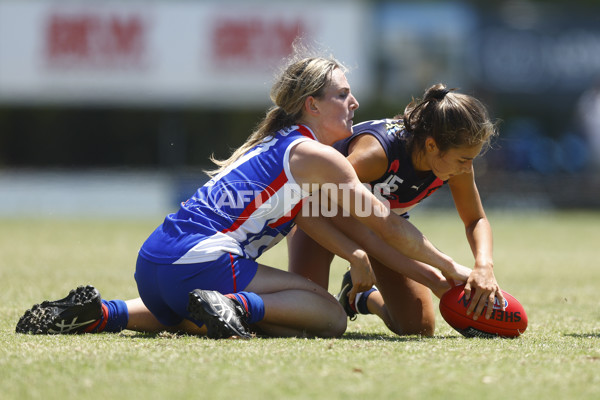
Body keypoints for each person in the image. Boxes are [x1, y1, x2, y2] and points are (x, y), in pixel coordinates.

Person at [16, 53, 475, 339]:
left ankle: (102, 313)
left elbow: (307, 217)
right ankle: (231, 305)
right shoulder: (318, 156)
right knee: (327, 316)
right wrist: (451, 269)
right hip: (200, 261)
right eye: (342, 95)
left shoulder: (270, 143)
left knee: (264, 316)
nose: (353, 103)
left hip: (154, 264)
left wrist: (353, 256)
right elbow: (386, 222)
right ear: (311, 105)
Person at [287, 83, 503, 336]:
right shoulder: (376, 154)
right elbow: (321, 207)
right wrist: (434, 276)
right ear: (432, 146)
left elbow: (475, 219)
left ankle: (360, 298)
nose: (467, 168)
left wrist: (484, 266)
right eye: (463, 160)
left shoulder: (454, 157)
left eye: (472, 159)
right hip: (321, 216)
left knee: (418, 328)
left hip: (384, 228)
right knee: (308, 323)